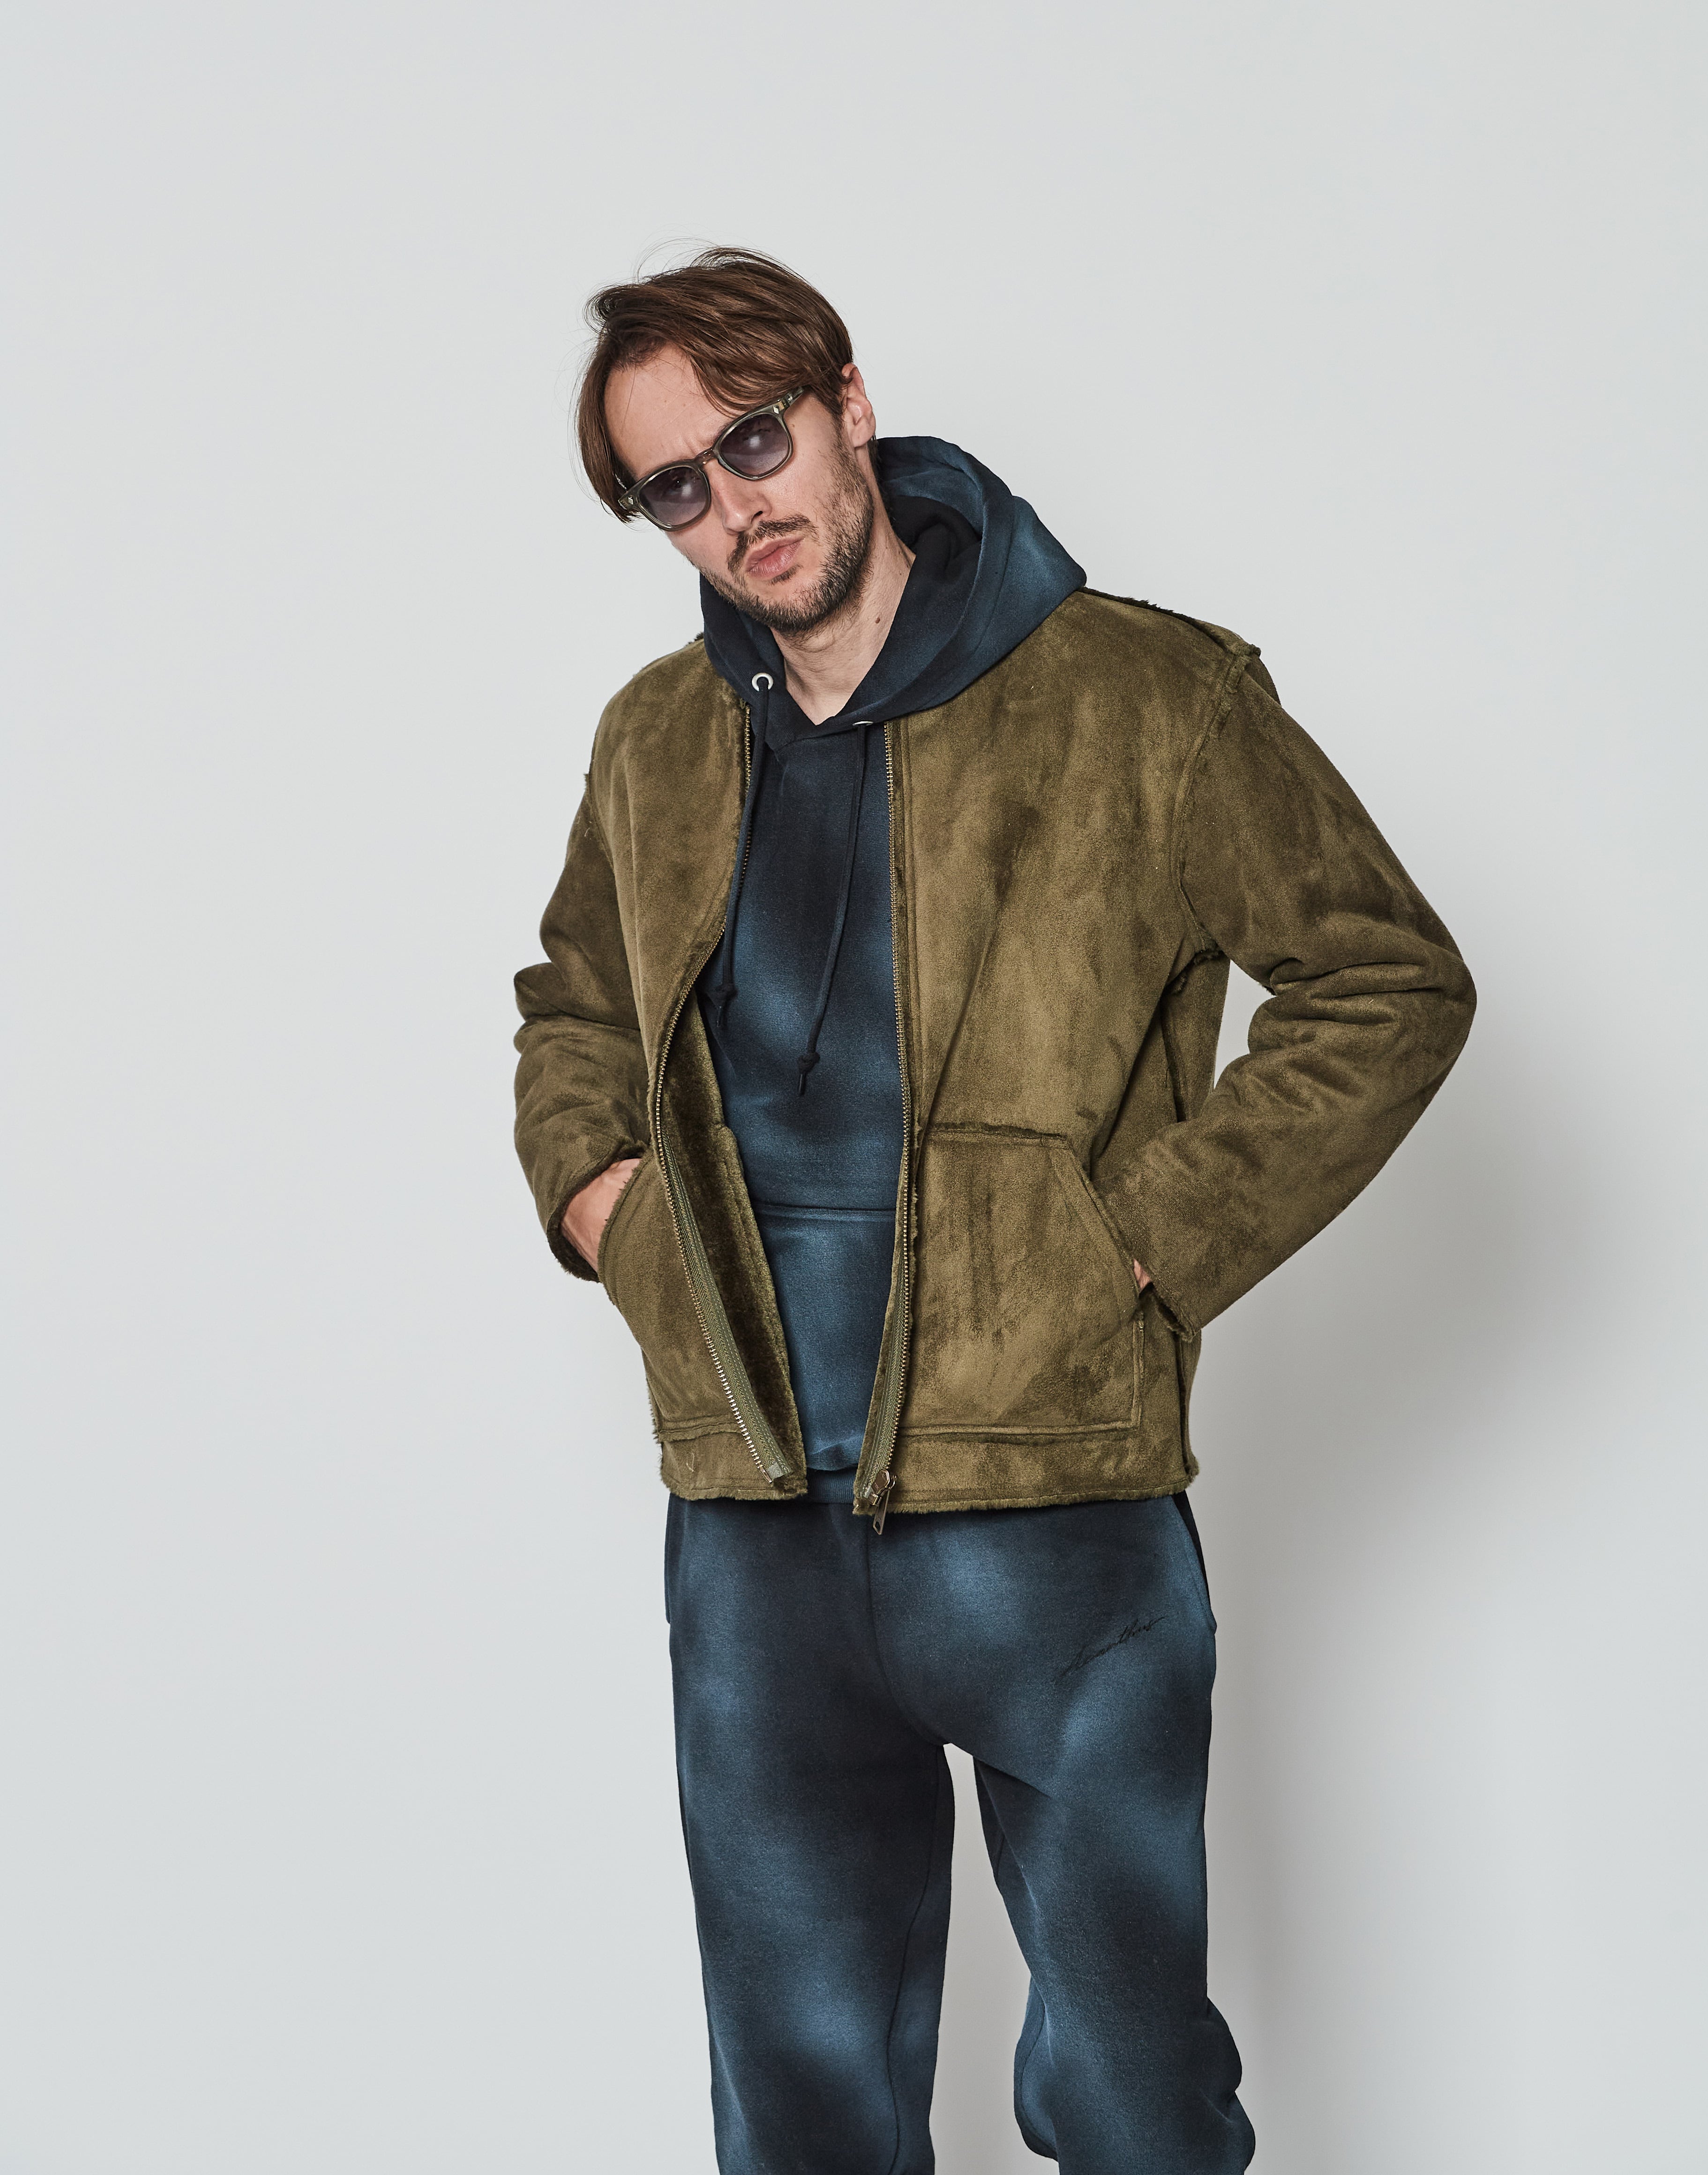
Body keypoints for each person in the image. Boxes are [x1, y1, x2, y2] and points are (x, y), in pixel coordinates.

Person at [513, 247, 1474, 2175]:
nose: (733, 508)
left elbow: (1386, 981)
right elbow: (579, 1010)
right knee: (802, 2112)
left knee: (1129, 2098)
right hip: (753, 1523)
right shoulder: (654, 739)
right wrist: (606, 1208)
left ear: (849, 409)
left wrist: (1138, 1245)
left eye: (754, 442)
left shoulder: (1149, 696)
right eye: (673, 487)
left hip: (1053, 1508)